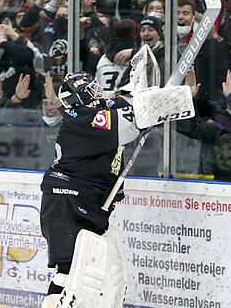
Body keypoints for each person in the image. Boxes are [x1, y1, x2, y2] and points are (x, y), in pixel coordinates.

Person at [39, 71, 140, 304]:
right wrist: (159, 102)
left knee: (104, 274)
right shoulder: (83, 119)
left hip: (83, 201)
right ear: (80, 97)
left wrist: (134, 92)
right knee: (69, 273)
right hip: (67, 203)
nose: (97, 93)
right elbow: (133, 122)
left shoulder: (90, 113)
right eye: (90, 90)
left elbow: (119, 101)